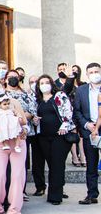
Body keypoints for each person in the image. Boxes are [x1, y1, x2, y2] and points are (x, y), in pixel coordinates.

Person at [0, 81, 28, 214]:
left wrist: (20, 128)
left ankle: (14, 207)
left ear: (3, 87)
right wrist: (1, 127)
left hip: (17, 143)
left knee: (17, 175)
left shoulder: (14, 103)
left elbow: (24, 121)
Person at [33, 75, 76, 205]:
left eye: (47, 82)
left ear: (52, 84)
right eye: (41, 83)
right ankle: (58, 188)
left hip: (59, 136)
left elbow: (68, 112)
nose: (44, 85)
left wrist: (64, 126)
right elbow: (35, 115)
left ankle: (55, 196)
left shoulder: (59, 96)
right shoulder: (37, 100)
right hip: (43, 137)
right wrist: (35, 120)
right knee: (52, 164)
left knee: (57, 164)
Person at [73, 62, 101, 205]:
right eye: (91, 72)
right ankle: (92, 194)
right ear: (87, 74)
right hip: (89, 129)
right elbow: (77, 111)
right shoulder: (81, 90)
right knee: (91, 163)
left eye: (97, 71)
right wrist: (86, 124)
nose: (94, 74)